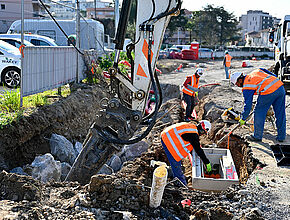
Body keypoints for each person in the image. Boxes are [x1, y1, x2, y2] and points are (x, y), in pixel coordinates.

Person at [230, 68, 286, 142]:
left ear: (239, 80)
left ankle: (257, 136)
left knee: (259, 112)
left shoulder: (247, 85)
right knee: (280, 113)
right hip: (280, 87)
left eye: (237, 84)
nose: (238, 86)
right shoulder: (256, 71)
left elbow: (248, 105)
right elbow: (269, 72)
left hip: (268, 92)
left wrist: (243, 118)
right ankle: (281, 136)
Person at [160, 120, 212, 186]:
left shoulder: (191, 128)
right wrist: (206, 162)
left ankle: (170, 173)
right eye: (203, 133)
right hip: (168, 140)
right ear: (202, 129)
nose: (201, 135)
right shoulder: (193, 134)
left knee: (176, 164)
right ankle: (182, 185)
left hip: (166, 135)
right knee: (176, 162)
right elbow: (198, 149)